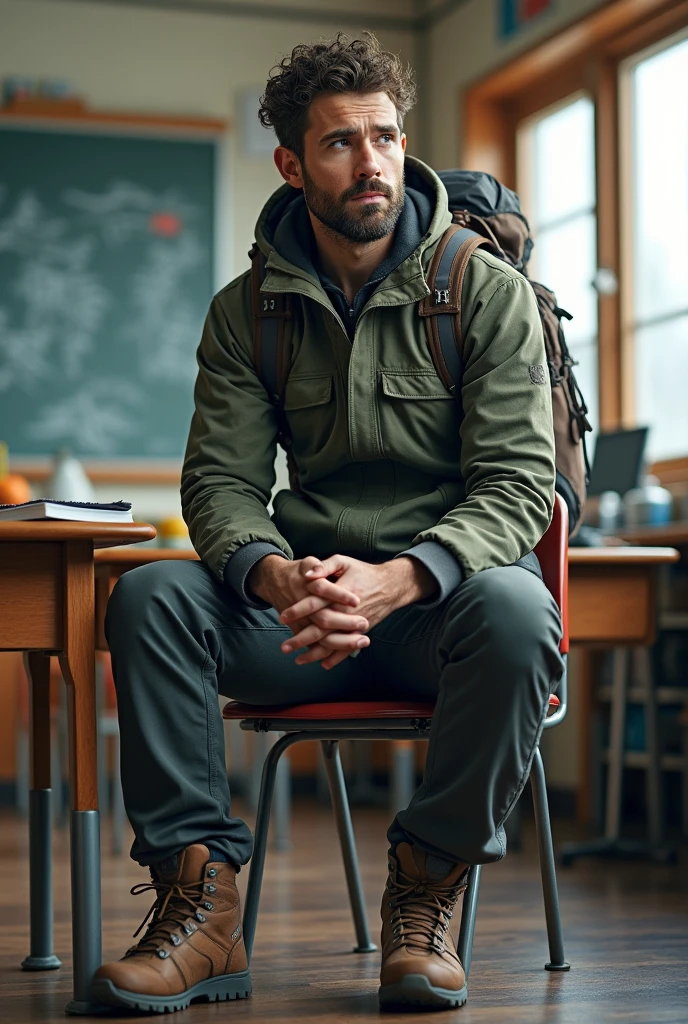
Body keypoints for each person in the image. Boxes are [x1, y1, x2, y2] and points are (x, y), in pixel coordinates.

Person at [92, 32, 564, 1015]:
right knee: (150, 594)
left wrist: (406, 575)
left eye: (385, 137)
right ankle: (200, 908)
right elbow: (218, 485)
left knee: (521, 612)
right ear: (292, 163)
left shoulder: (483, 294)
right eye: (342, 142)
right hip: (299, 619)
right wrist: (274, 577)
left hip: (440, 618)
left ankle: (426, 887)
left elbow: (521, 486)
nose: (371, 162)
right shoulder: (247, 313)